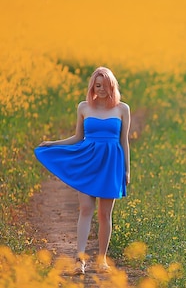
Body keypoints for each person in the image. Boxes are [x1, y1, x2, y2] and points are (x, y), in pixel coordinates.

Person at [35, 66, 131, 275]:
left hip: (111, 165)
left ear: (111, 86)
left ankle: (102, 260)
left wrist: (126, 171)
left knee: (105, 214)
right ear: (93, 86)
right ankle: (80, 260)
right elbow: (78, 138)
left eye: (105, 85)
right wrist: (52, 143)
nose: (102, 89)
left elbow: (124, 142)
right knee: (86, 210)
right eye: (98, 85)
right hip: (88, 161)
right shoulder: (84, 107)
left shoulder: (122, 109)